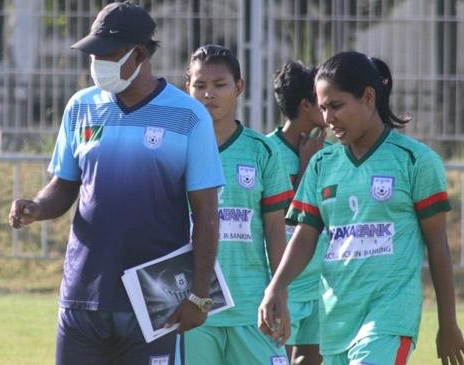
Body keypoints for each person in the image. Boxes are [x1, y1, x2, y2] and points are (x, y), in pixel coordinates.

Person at [8, 3, 224, 365]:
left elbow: (206, 213)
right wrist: (36, 207)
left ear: (138, 54)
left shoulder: (189, 115)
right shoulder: (81, 107)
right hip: (83, 295)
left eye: (105, 54)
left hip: (155, 299)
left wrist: (199, 295)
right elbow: (64, 186)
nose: (95, 63)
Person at [258, 51, 464, 365]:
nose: (328, 119)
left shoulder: (415, 161)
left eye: (337, 106)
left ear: (369, 98)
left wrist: (448, 323)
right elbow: (304, 235)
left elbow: (437, 245)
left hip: (389, 318)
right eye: (323, 108)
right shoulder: (322, 164)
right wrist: (277, 286)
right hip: (337, 320)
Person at [183, 44, 292, 365]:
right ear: (186, 88)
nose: (208, 95)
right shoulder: (175, 149)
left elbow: (275, 230)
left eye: (220, 85)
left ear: (239, 87)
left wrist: (280, 293)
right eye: (199, 86)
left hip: (252, 307)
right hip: (194, 309)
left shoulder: (262, 151)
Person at [267, 61, 328, 365]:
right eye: (322, 100)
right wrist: (305, 167)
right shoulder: (266, 151)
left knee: (311, 359)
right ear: (306, 104)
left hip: (319, 281)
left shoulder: (330, 152)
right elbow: (283, 216)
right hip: (284, 284)